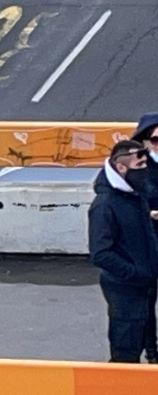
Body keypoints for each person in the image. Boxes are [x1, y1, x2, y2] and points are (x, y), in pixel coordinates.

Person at [89, 140, 158, 363]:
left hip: (144, 285)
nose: (145, 170)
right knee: (126, 353)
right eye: (139, 165)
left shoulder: (134, 194)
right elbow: (101, 254)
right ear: (121, 167)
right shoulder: (104, 205)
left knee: (146, 334)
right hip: (125, 289)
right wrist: (136, 273)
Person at [130, 113, 158, 363]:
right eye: (156, 139)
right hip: (148, 243)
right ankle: (152, 352)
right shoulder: (138, 168)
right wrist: (149, 213)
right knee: (147, 301)